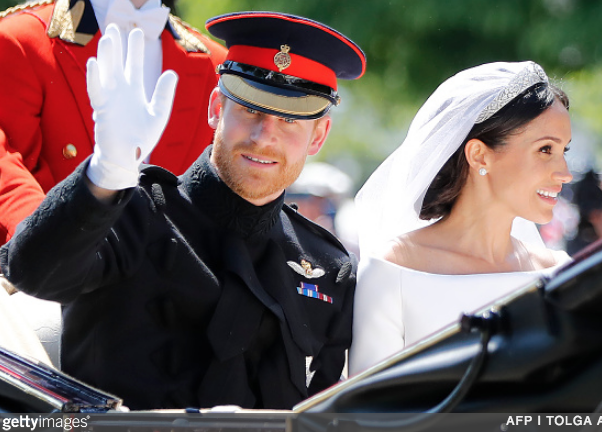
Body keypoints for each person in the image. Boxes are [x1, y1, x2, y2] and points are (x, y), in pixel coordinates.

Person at [0, 11, 364, 410]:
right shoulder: (131, 215)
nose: (264, 137)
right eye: (250, 111)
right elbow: (31, 272)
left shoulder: (327, 268)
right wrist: (103, 173)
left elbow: (326, 412)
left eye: (290, 121)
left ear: (318, 137)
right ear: (215, 108)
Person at [349, 61, 573, 375]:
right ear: (480, 155)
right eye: (545, 149)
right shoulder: (392, 271)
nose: (565, 174)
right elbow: (367, 414)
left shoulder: (559, 272)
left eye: (565, 150)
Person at [0, 0, 227, 246]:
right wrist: (48, 256)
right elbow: (8, 175)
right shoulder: (20, 41)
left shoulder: (216, 67)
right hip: (57, 271)